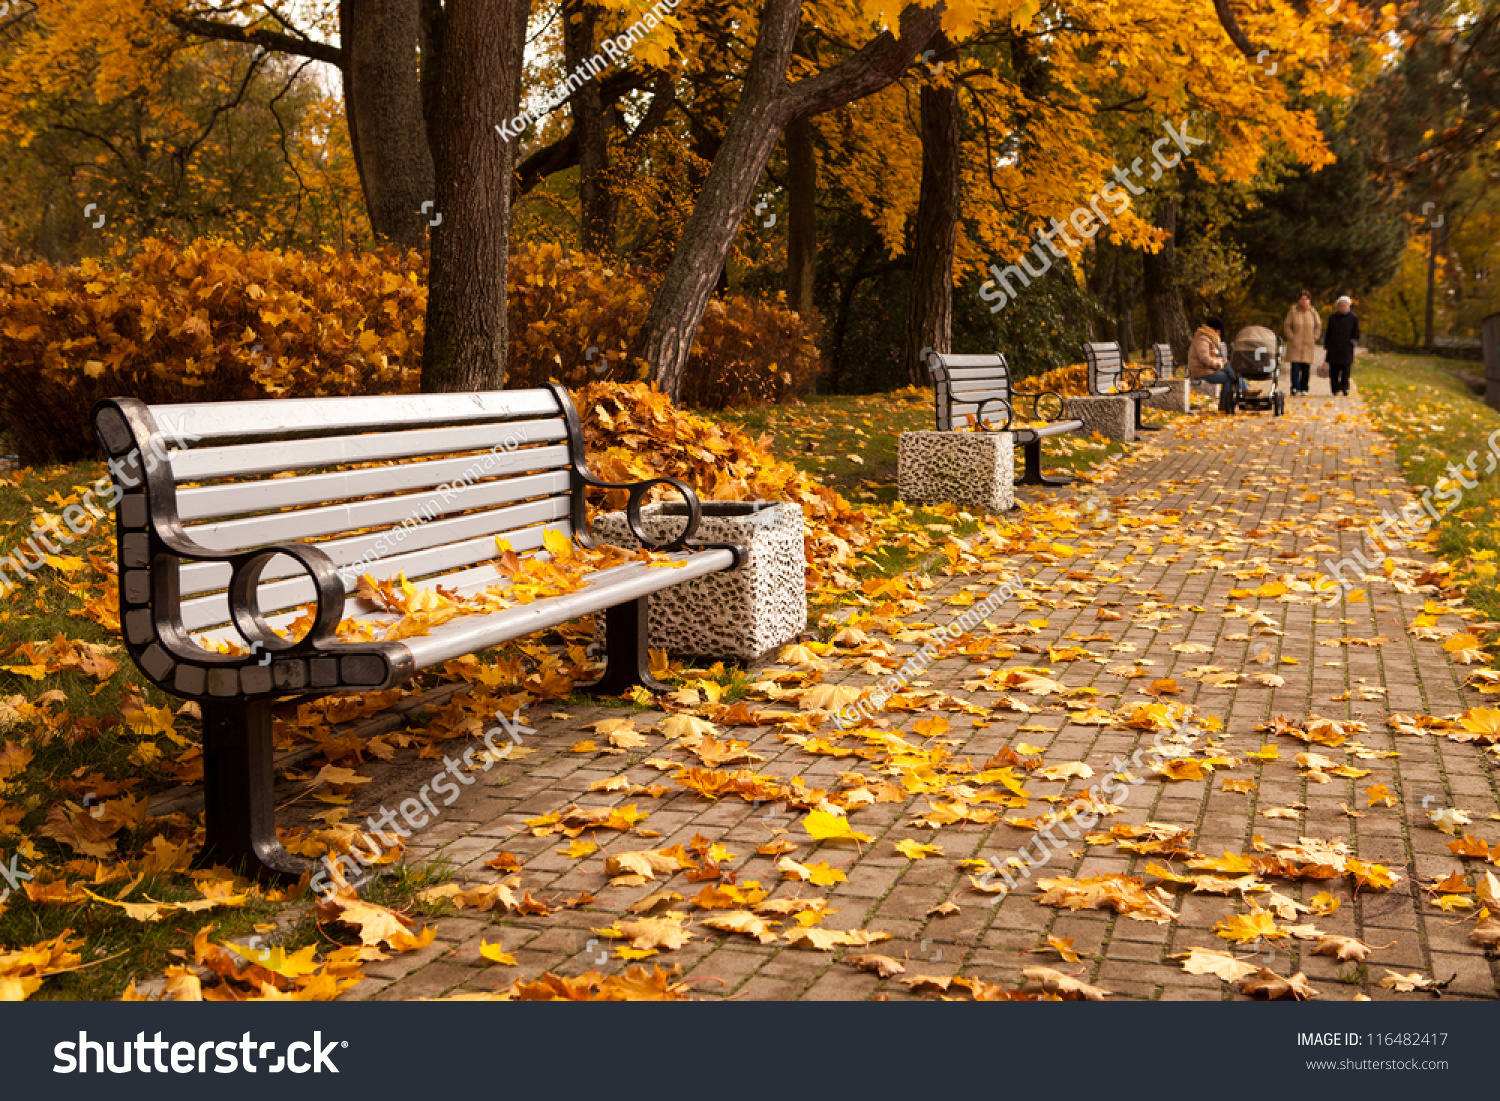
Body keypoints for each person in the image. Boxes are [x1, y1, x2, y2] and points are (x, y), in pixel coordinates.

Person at [1188, 317, 1239, 413]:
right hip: (1201, 372)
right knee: (1229, 376)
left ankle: (1225, 405)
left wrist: (1220, 360)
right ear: (1215, 330)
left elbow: (1209, 358)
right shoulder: (1203, 339)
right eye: (1219, 332)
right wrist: (1219, 363)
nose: (1219, 334)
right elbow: (1204, 359)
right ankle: (1228, 402)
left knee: (1228, 371)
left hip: (1206, 370)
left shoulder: (1206, 338)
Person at [1282, 291, 1321, 395]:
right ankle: (1295, 387)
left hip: (1308, 344)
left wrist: (1314, 337)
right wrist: (1291, 337)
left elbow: (1318, 325)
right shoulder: (1293, 312)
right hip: (1295, 344)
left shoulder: (1312, 312)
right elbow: (1287, 325)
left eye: (1306, 299)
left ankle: (1304, 388)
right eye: (1302, 299)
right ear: (1298, 300)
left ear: (1309, 300)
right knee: (1295, 367)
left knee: (1306, 368)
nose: (1304, 301)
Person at [1323, 296, 1360, 396]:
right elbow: (1328, 332)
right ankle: (1335, 389)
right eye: (1341, 306)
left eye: (1345, 306)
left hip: (1346, 348)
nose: (1343, 307)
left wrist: (1353, 342)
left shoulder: (1353, 318)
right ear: (1338, 307)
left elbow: (1356, 332)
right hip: (1334, 347)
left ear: (1348, 306)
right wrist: (1326, 344)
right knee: (1334, 370)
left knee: (1345, 370)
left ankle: (1345, 387)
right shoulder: (1333, 317)